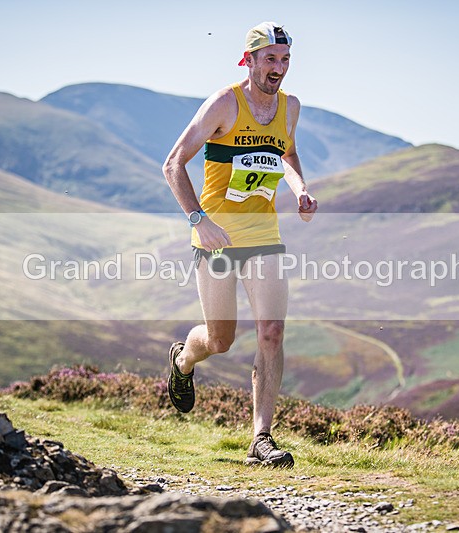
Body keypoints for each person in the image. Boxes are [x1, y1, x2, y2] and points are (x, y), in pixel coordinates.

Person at [162, 21, 318, 468]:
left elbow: (285, 153)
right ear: (248, 60)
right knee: (220, 339)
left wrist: (300, 188)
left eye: (285, 59)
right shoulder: (225, 103)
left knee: (272, 331)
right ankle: (184, 360)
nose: (279, 68)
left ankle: (261, 439)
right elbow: (173, 164)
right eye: (270, 58)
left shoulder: (290, 108)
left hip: (264, 236)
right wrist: (198, 219)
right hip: (216, 237)